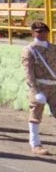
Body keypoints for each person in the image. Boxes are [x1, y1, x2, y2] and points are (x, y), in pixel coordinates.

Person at [21, 21, 56, 156]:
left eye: (45, 31)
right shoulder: (29, 50)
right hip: (39, 86)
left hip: (54, 86)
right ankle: (35, 143)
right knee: (35, 115)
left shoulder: (53, 48)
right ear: (33, 33)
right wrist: (35, 91)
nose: (43, 34)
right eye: (39, 31)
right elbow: (28, 73)